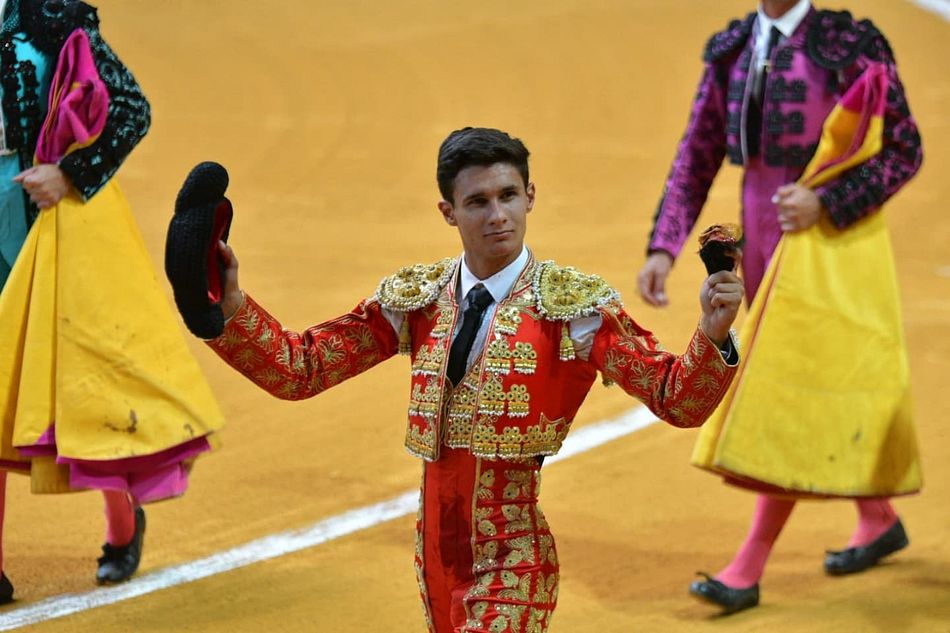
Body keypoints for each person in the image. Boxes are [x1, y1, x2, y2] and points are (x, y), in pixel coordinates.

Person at [186, 127, 743, 632]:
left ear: (531, 197)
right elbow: (300, 369)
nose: (497, 214)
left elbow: (676, 399)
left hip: (513, 556)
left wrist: (712, 337)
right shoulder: (417, 299)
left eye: (508, 196)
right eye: (477, 202)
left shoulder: (573, 308)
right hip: (434, 558)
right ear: (448, 211)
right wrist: (230, 306)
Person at [638, 0, 923, 614]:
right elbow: (699, 148)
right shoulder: (734, 46)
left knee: (784, 388)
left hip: (830, 247)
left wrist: (829, 202)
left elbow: (904, 149)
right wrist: (664, 244)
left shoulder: (851, 44)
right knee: (809, 379)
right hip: (763, 233)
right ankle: (877, 520)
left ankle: (748, 566)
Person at [0, 0, 223, 601]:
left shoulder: (51, 15)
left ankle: (123, 524)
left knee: (87, 377)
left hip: (47, 210)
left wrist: (71, 173)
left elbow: (129, 108)